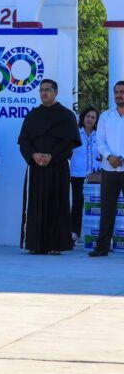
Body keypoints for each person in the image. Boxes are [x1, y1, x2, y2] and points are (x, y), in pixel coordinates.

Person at [18, 79, 80, 255]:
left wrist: (52, 156)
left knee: (58, 204)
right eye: (42, 90)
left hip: (57, 167)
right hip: (36, 167)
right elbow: (24, 141)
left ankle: (56, 245)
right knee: (36, 205)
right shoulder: (33, 115)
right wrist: (34, 155)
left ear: (56, 92)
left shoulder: (67, 115)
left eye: (48, 90)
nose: (44, 93)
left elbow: (69, 142)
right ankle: (36, 244)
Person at [89, 82, 124, 257]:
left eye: (122, 92)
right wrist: (110, 156)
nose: (119, 95)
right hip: (109, 168)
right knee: (107, 209)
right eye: (116, 92)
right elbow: (99, 141)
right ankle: (102, 247)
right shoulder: (105, 116)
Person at [70, 106, 100, 241]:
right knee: (77, 204)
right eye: (88, 116)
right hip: (78, 174)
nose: (90, 119)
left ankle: (96, 235)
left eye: (93, 117)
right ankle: (74, 234)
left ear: (96, 120)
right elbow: (69, 152)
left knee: (96, 205)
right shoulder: (75, 133)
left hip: (95, 176)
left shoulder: (99, 134)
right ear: (83, 118)